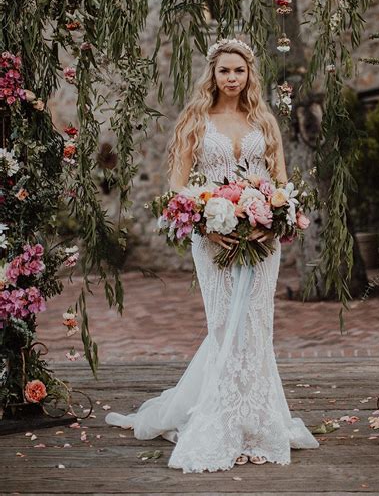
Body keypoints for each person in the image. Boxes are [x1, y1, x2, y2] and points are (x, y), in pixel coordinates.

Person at [105, 38, 320, 472]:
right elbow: (178, 188)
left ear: (249, 74)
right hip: (213, 237)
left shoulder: (264, 120)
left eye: (239, 71)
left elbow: (280, 183)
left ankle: (258, 422)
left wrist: (273, 217)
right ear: (213, 74)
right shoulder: (196, 120)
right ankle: (221, 421)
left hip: (263, 242)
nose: (232, 78)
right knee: (225, 326)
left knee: (256, 326)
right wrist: (209, 222)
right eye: (225, 71)